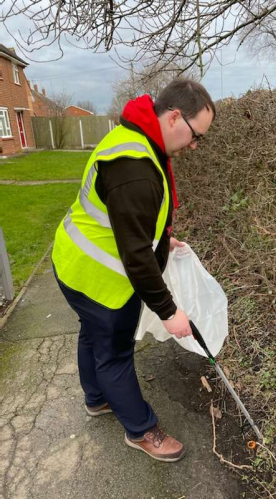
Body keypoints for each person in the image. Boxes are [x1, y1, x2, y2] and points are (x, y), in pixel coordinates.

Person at [52, 78, 215, 463]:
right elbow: (136, 258)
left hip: (74, 261)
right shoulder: (136, 167)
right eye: (196, 136)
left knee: (92, 336)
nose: (195, 145)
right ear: (175, 116)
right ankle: (141, 430)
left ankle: (96, 399)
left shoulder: (135, 135)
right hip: (99, 279)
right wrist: (169, 311)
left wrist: (163, 241)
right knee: (114, 352)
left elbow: (130, 221)